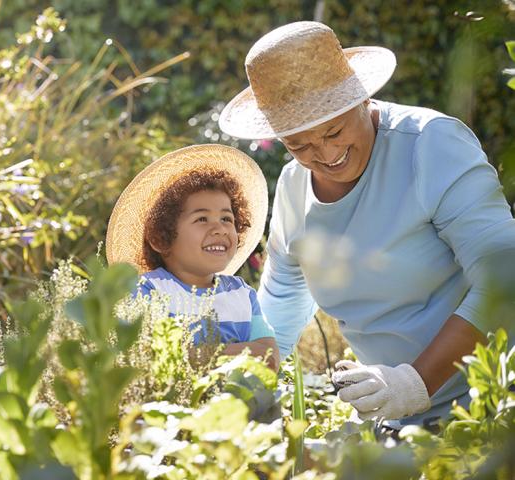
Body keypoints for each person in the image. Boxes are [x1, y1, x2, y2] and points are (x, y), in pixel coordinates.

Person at [218, 21, 515, 426]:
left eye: (334, 130)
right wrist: (242, 390)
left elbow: (504, 277)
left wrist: (413, 384)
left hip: (495, 403)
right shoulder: (293, 187)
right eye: (299, 145)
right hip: (398, 419)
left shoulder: (430, 145)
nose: (325, 154)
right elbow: (283, 302)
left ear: (361, 97)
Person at [106, 144, 279, 369]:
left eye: (227, 219)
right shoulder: (148, 291)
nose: (220, 229)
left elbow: (270, 357)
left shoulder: (242, 294)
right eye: (202, 219)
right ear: (161, 238)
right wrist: (242, 354)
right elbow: (149, 359)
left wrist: (196, 355)